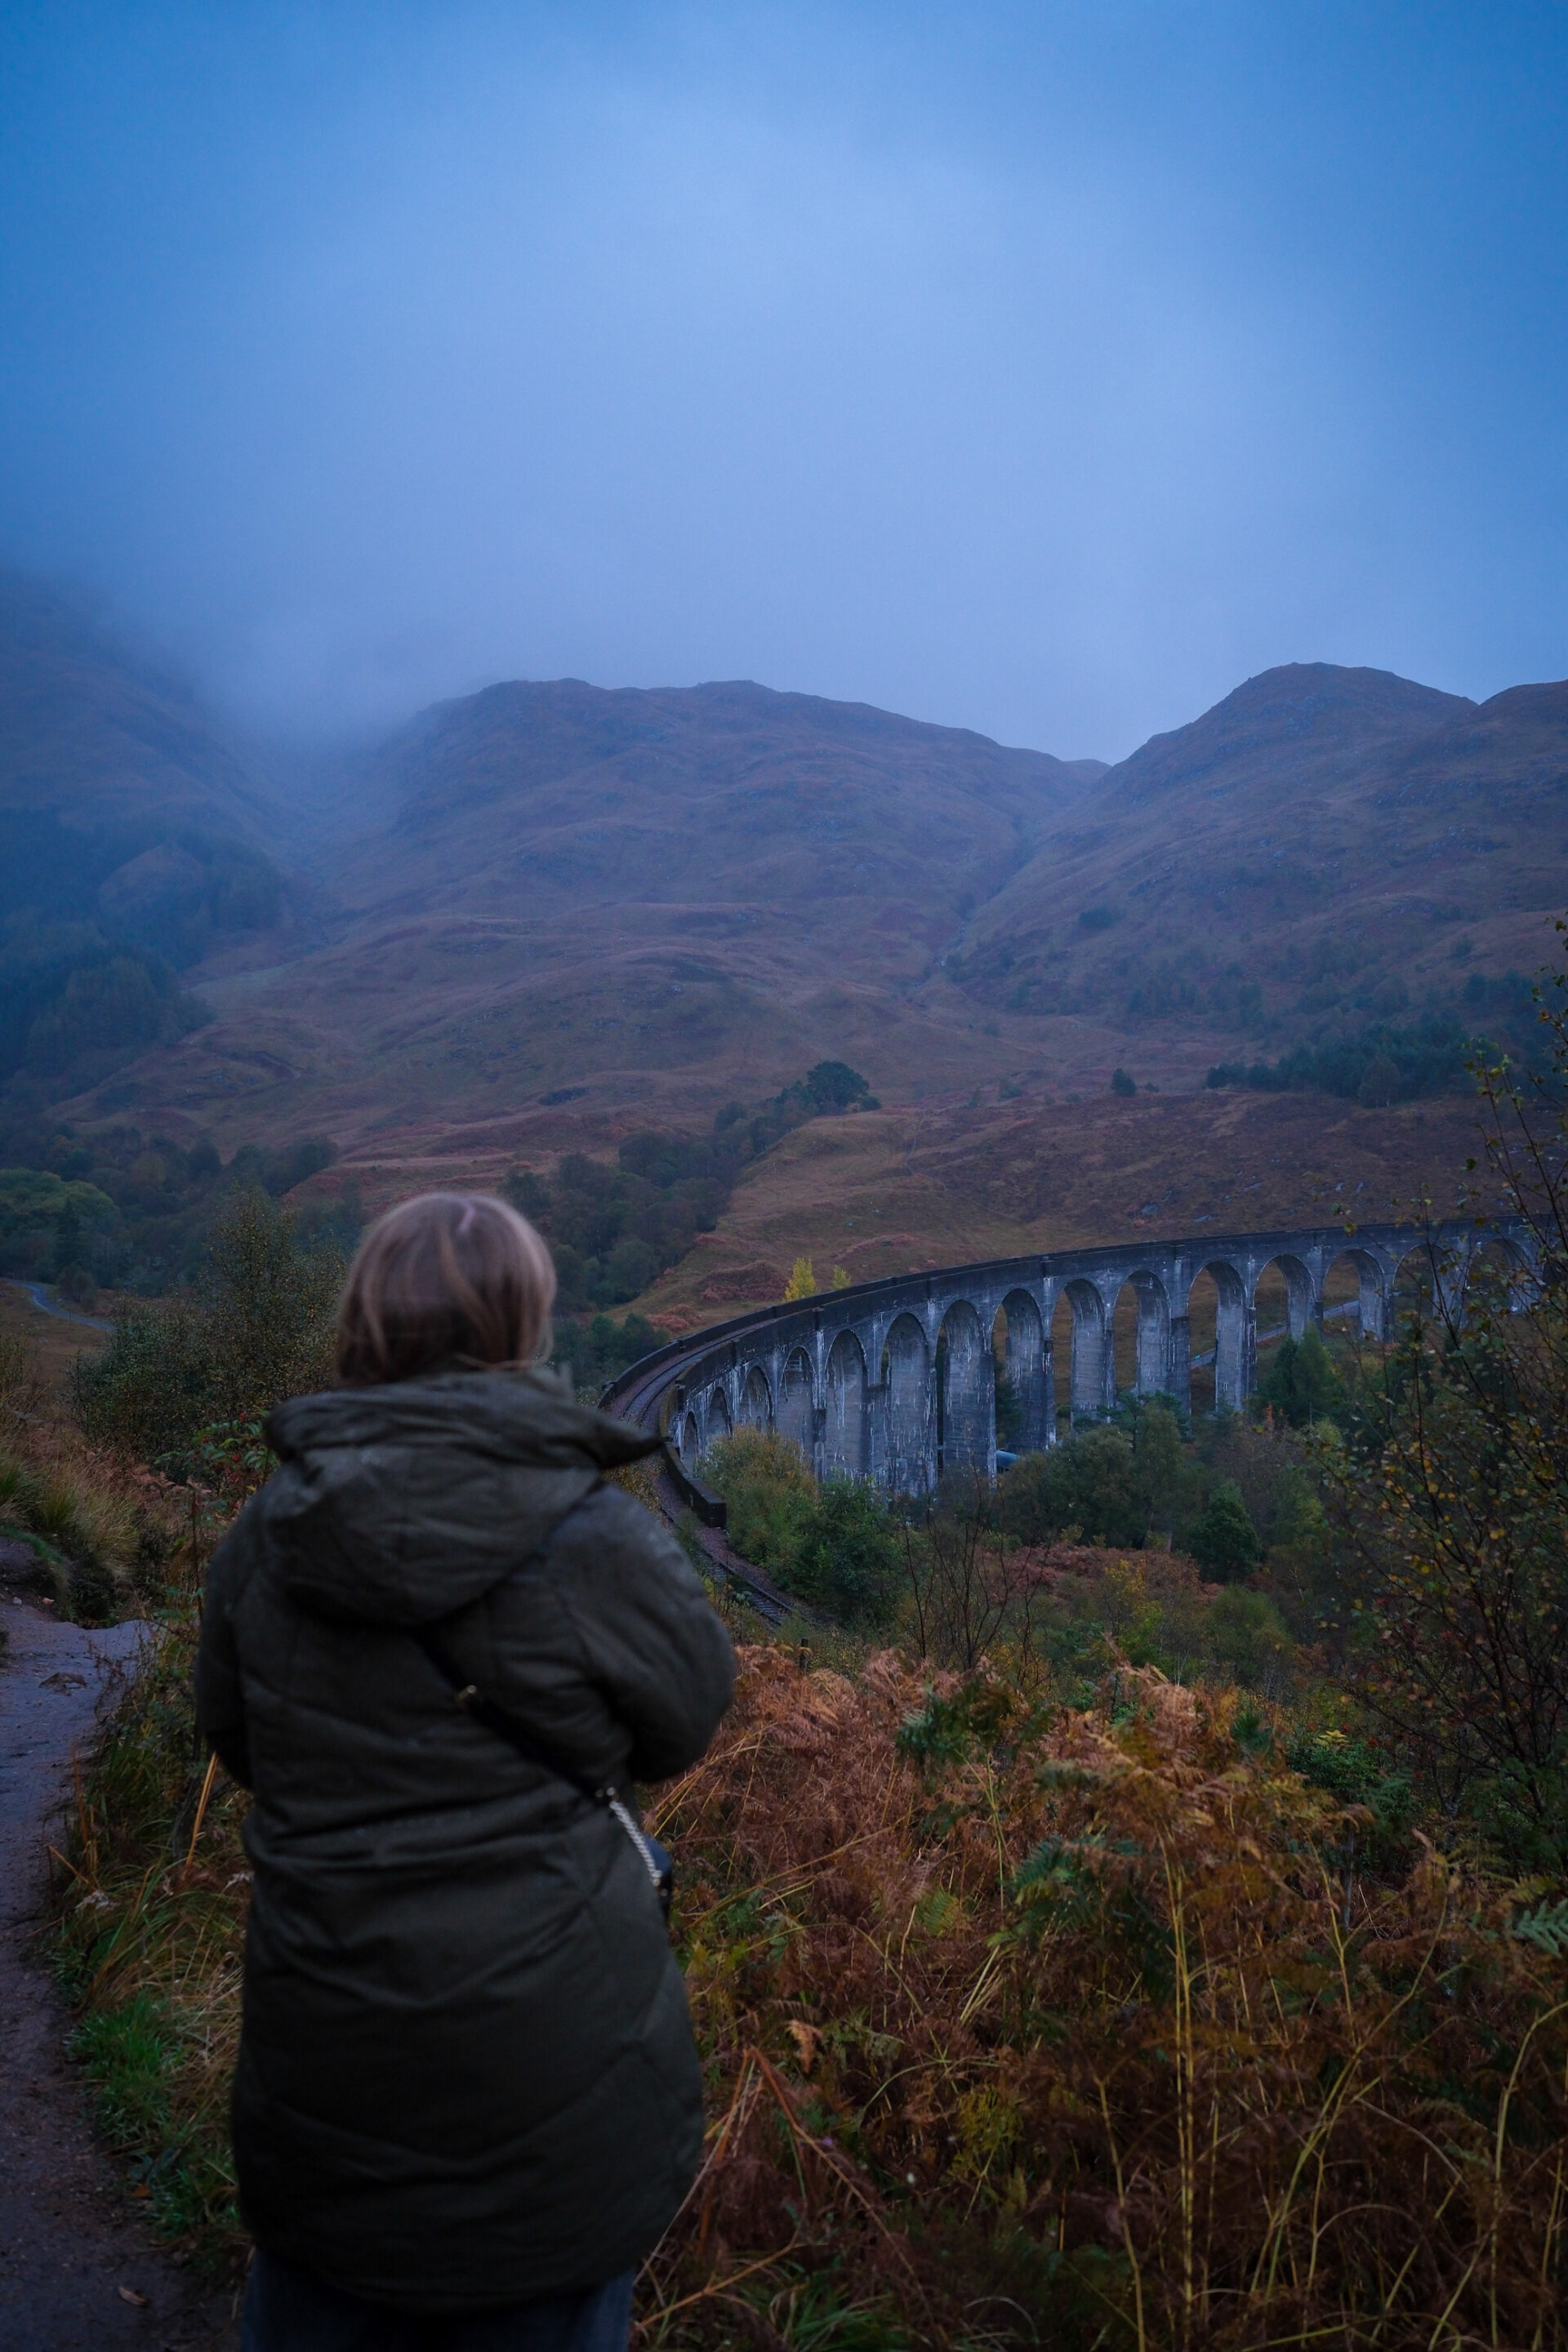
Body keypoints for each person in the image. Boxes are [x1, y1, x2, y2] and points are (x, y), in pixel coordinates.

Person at [196, 1192, 736, 2350]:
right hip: (557, 2093)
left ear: (364, 1325)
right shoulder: (594, 1534)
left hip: (328, 2071)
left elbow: (240, 1747)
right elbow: (686, 1725)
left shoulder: (266, 1537)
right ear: (522, 1326)